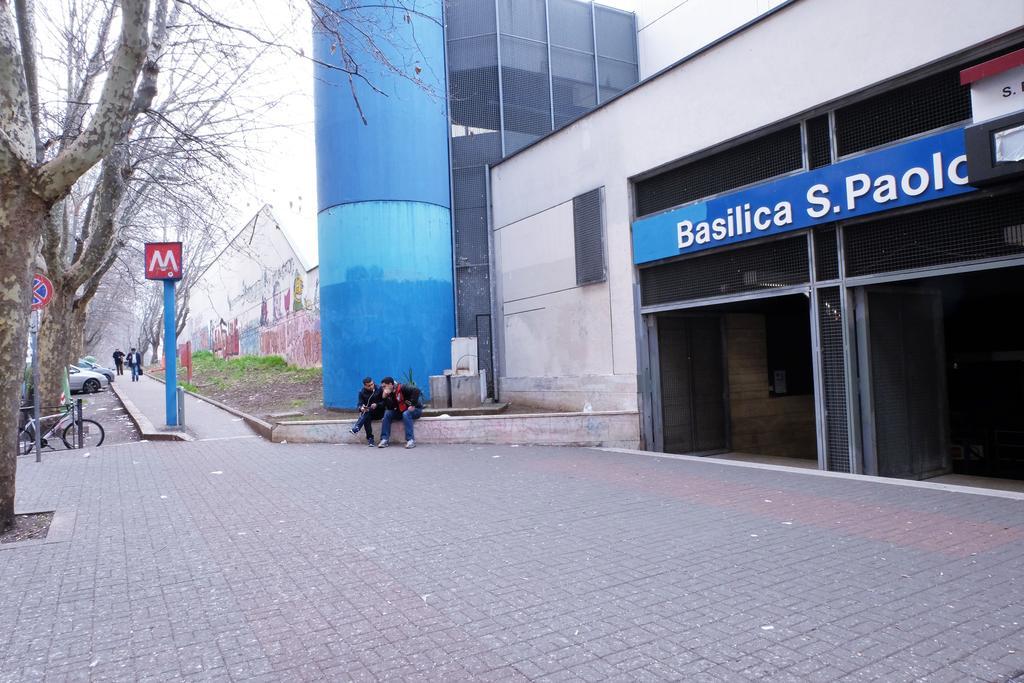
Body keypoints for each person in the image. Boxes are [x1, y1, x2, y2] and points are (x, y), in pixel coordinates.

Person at [377, 376, 424, 449]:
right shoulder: (390, 393)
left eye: (384, 386)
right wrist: (385, 397)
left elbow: (416, 390)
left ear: (390, 384)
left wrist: (413, 405)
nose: (383, 389)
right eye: (382, 387)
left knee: (406, 414)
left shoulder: (402, 387)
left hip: (415, 409)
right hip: (401, 411)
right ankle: (384, 439)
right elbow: (390, 407)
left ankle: (410, 440)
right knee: (388, 413)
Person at [349, 377, 384, 446]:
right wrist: (361, 408)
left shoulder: (379, 389)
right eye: (369, 386)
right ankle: (370, 439)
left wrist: (377, 405)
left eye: (372, 384)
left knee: (366, 414)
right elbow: (359, 404)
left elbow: (384, 402)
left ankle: (357, 428)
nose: (371, 386)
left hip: (379, 412)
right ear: (365, 386)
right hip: (369, 413)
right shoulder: (362, 392)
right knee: (366, 415)